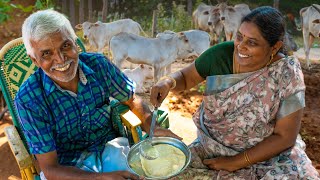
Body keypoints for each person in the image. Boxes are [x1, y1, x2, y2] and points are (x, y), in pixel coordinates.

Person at [150, 6, 319, 179]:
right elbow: (185, 78)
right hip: (211, 148)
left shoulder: (287, 73)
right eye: (239, 36)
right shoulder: (220, 55)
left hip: (271, 156)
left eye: (252, 42)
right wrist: (168, 82)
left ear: (275, 47)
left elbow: (285, 137)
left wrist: (236, 162)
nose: (240, 46)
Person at [15, 9, 179, 180]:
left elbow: (132, 98)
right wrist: (99, 178)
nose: (61, 59)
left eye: (65, 46)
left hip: (110, 147)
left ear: (75, 43)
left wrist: (152, 127)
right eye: (46, 53)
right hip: (66, 168)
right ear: (34, 60)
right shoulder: (29, 99)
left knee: (151, 172)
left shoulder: (99, 65)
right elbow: (50, 169)